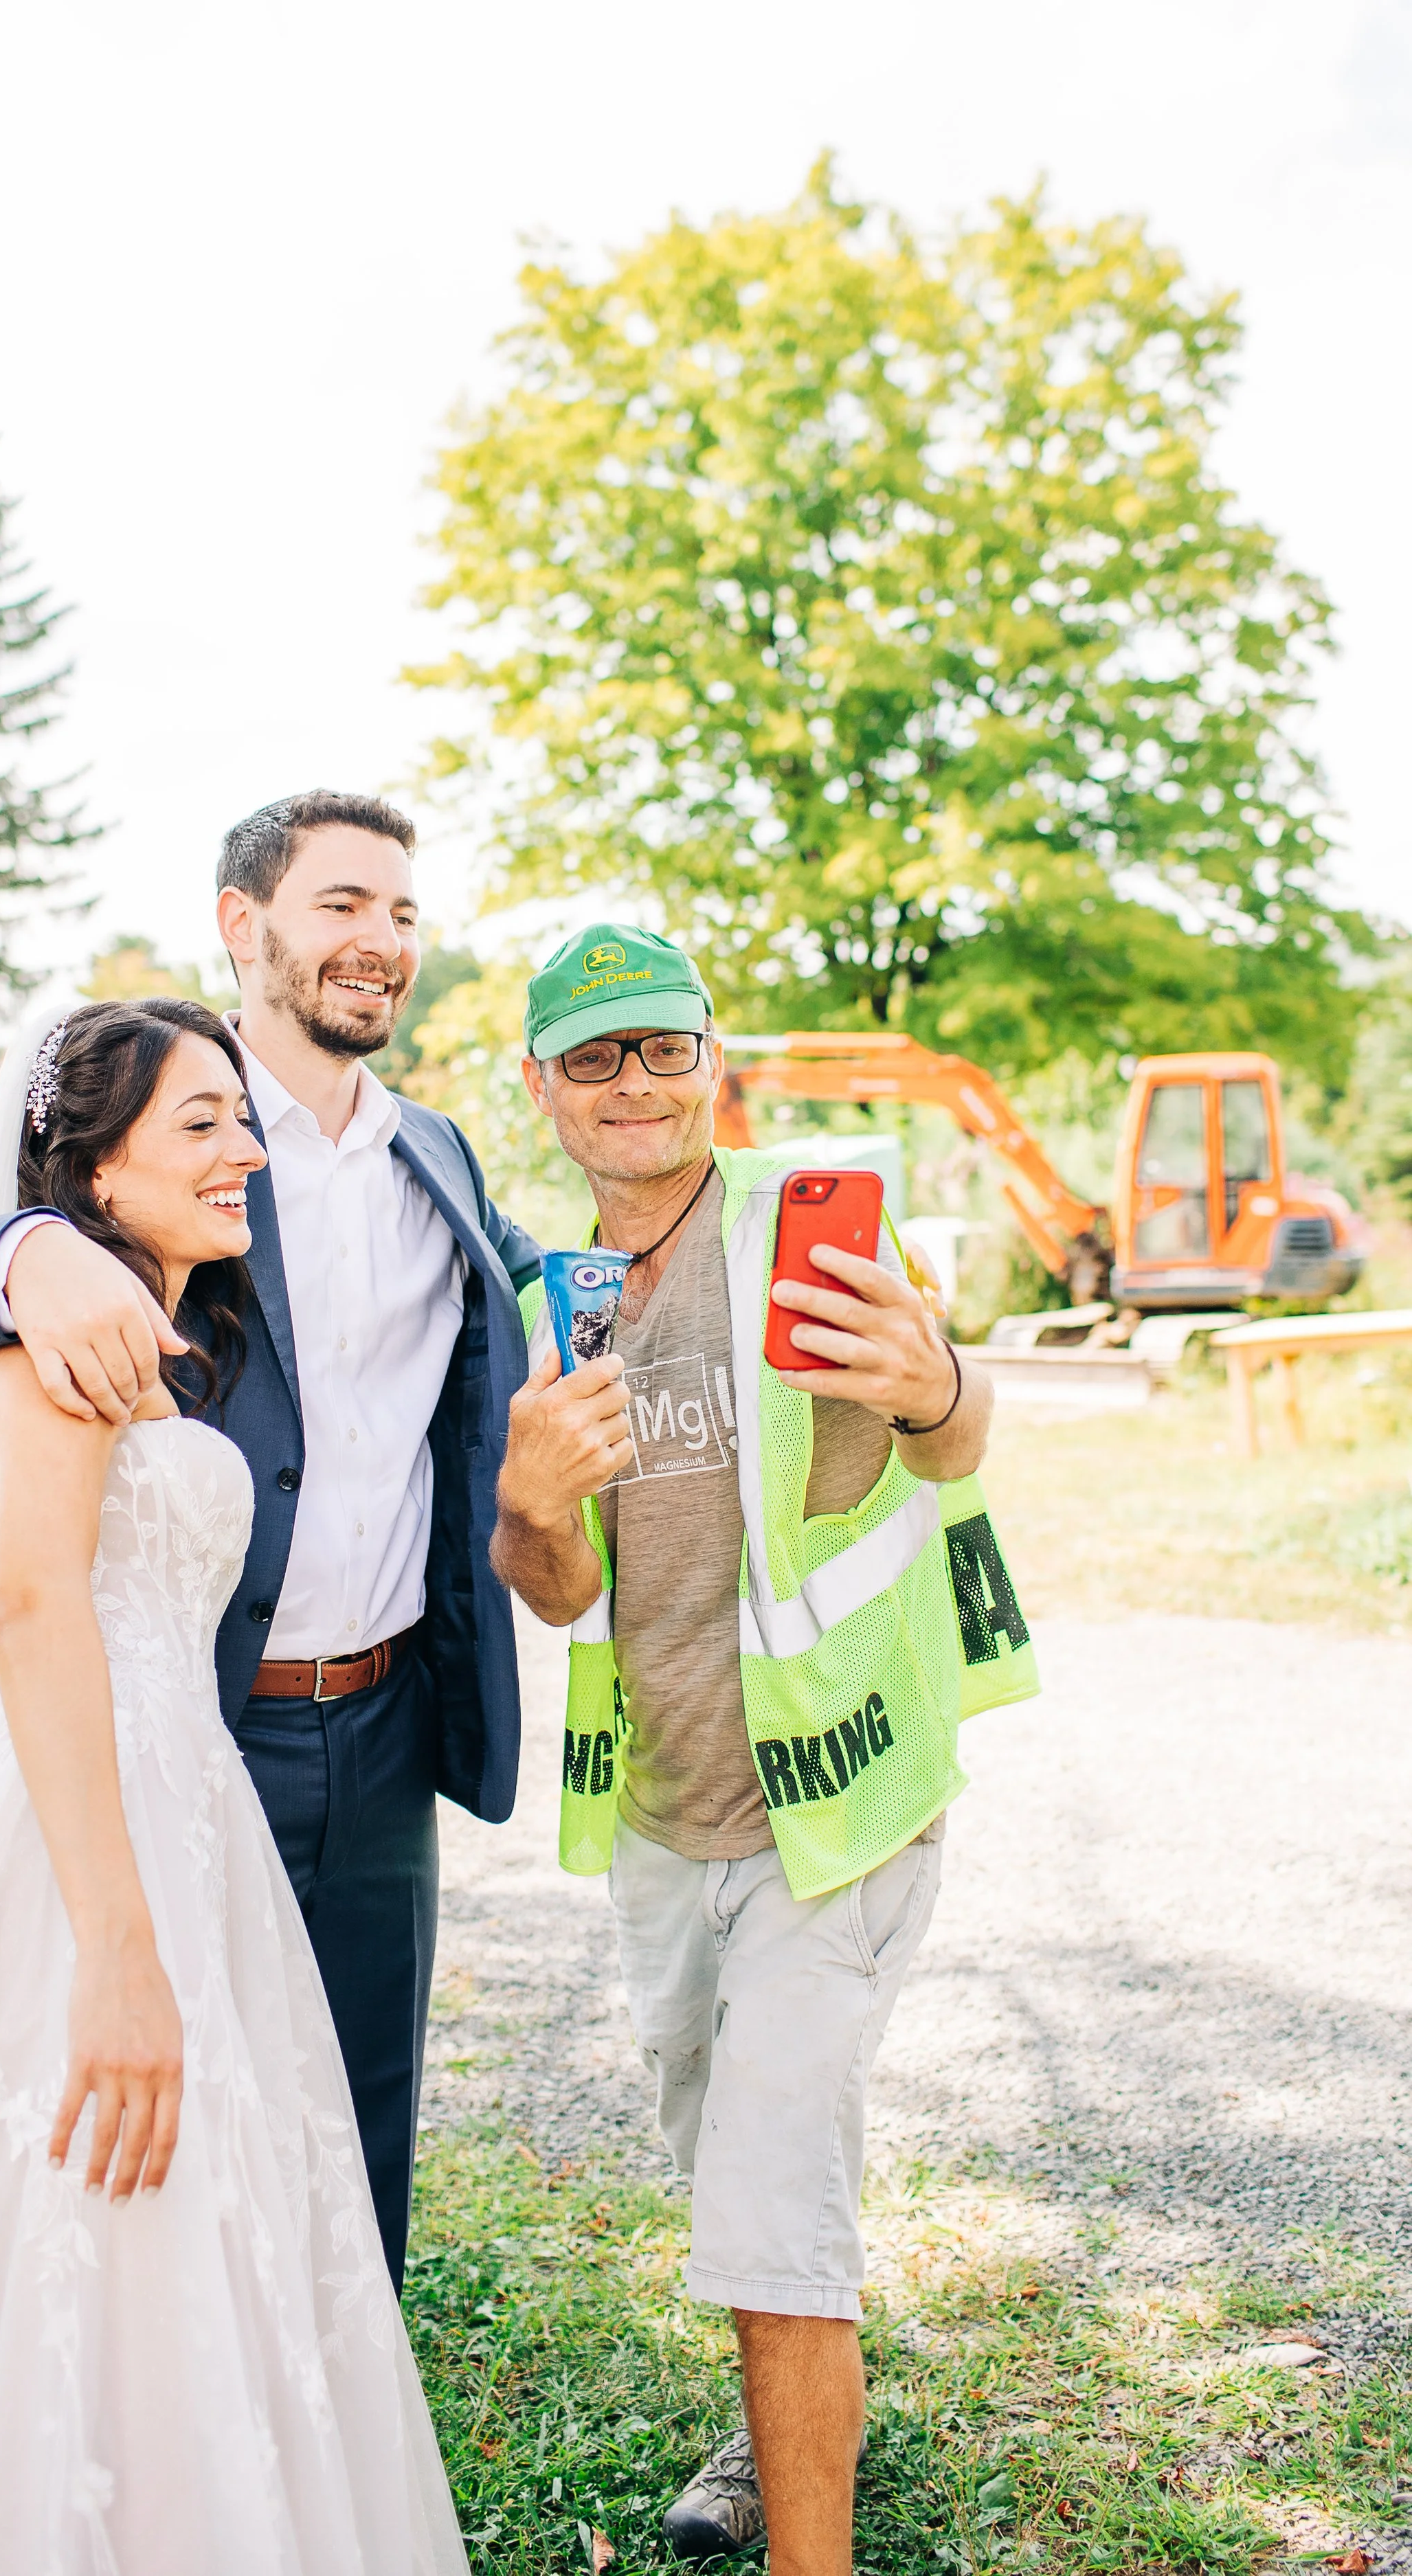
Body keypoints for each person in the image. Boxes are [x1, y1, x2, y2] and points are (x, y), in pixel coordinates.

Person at [0, 998, 469, 2573]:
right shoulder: (53, 1331)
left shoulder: (180, 1329)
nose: (243, 1147)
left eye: (243, 1120)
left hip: (195, 1822)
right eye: (200, 1124)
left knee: (200, 2224)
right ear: (93, 1173)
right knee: (93, 2200)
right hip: (78, 1855)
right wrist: (117, 1946)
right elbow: (30, 1604)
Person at [0, 791, 539, 2289]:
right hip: (200, 1726)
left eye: (404, 913)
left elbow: (559, 1306)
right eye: (344, 904)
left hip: (389, 1725)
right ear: (246, 927)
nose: (382, 943)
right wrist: (24, 1250)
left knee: (355, 2137)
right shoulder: (174, 1153)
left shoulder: (442, 1165)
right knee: (151, 2135)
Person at [491, 925, 1038, 2576]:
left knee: (766, 2200)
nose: (633, 1083)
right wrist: (527, 1502)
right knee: (730, 2156)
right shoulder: (542, 1301)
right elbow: (556, 1585)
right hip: (665, 1821)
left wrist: (934, 1376)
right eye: (593, 1056)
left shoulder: (811, 1223)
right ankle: (780, 2406)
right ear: (540, 1090)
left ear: (711, 1060)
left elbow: (954, 1432)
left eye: (661, 1047)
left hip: (843, 1797)